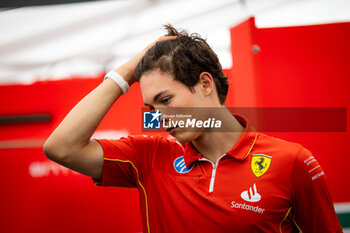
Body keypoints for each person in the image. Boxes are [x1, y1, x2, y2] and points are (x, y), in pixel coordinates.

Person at [44, 25, 342, 233]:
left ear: (204, 84)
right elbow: (61, 148)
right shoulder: (149, 157)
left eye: (166, 100)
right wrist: (126, 72)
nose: (160, 117)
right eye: (152, 108)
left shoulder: (291, 161)